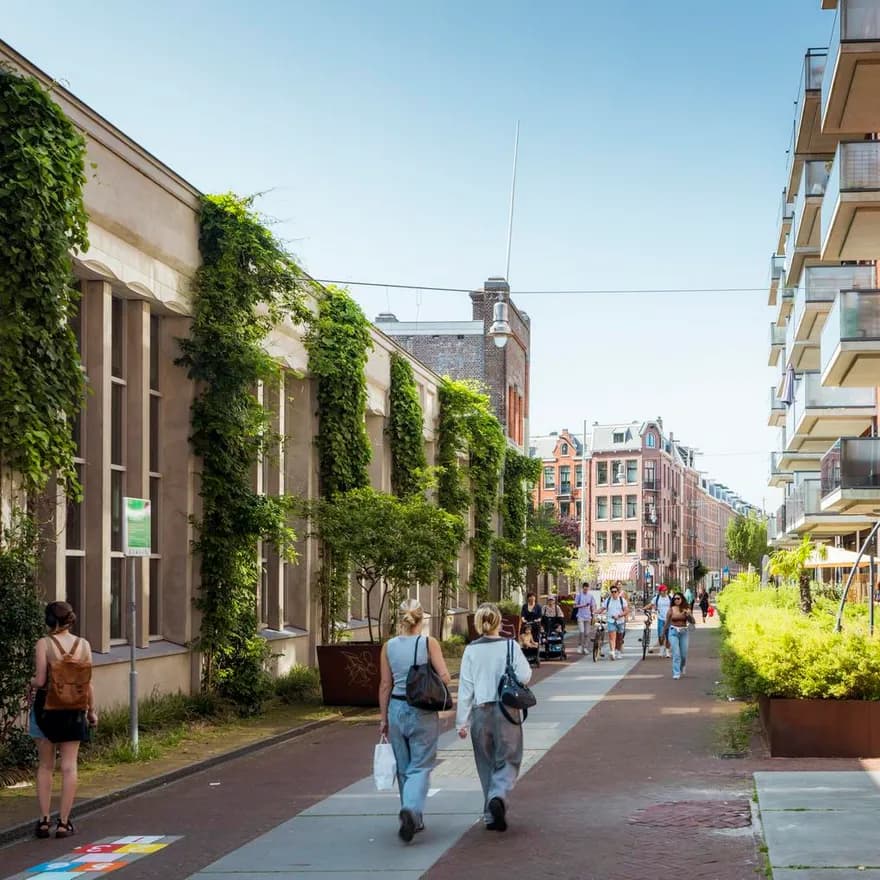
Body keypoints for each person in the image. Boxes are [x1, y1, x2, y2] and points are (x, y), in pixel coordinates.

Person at [379, 599, 452, 843]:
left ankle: (412, 816)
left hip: (396, 708)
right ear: (422, 619)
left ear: (401, 619)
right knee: (421, 765)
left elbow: (385, 685)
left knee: (403, 766)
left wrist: (383, 719)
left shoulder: (388, 646)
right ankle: (411, 809)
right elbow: (444, 676)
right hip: (422, 709)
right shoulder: (428, 643)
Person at [456, 603, 532, 832]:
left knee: (485, 761)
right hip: (506, 710)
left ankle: (490, 814)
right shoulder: (510, 646)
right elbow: (525, 675)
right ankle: (498, 795)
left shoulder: (471, 650)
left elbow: (465, 688)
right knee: (509, 757)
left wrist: (462, 722)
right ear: (499, 621)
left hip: (481, 711)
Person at [29, 601, 97, 840]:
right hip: (74, 710)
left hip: (46, 709)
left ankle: (44, 821)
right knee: (69, 766)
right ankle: (64, 823)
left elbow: (39, 680)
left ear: (49, 621)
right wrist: (91, 711)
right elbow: (87, 683)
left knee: (45, 766)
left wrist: (28, 683)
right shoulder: (84, 645)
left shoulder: (43, 644)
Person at [663, 592, 695, 680]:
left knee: (684, 654)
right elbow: (667, 622)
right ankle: (676, 672)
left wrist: (688, 615)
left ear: (682, 599)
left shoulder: (686, 609)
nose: (676, 600)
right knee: (676, 653)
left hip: (684, 632)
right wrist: (663, 633)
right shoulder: (671, 609)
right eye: (675, 599)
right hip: (673, 632)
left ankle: (682, 666)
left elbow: (693, 622)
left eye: (678, 598)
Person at [603, 584, 628, 660]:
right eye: (612, 592)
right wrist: (596, 611)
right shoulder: (607, 600)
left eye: (615, 591)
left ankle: (619, 651)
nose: (613, 593)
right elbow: (603, 608)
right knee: (612, 637)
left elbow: (626, 610)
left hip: (620, 621)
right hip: (611, 620)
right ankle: (612, 652)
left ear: (618, 592)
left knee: (619, 638)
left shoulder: (622, 600)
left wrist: (620, 615)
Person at [647, 583, 672, 657]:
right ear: (660, 591)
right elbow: (650, 605)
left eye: (665, 590)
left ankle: (667, 651)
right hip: (660, 619)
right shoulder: (656, 598)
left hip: (669, 619)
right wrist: (644, 608)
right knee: (661, 635)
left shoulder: (670, 598)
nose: (664, 592)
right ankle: (661, 649)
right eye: (663, 590)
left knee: (668, 636)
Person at [574, 581, 597, 655]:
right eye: (584, 589)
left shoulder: (590, 596)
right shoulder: (579, 595)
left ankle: (585, 647)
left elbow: (593, 605)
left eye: (587, 589)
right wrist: (583, 605)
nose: (586, 590)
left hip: (588, 616)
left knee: (587, 633)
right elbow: (575, 606)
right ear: (582, 588)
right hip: (580, 616)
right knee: (581, 631)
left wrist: (594, 613)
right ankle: (580, 646)